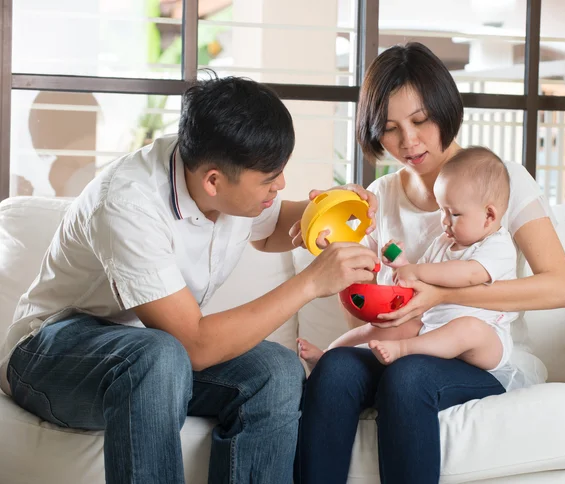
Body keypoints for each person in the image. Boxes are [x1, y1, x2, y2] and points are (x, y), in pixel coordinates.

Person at [0, 75, 381, 484]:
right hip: (52, 354)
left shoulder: (219, 167)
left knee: (278, 369)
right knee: (159, 355)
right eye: (269, 179)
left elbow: (270, 231)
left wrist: (335, 208)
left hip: (156, 358)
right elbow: (193, 345)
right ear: (213, 181)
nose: (281, 185)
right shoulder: (129, 203)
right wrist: (309, 283)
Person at [294, 42, 565, 484]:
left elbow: (563, 288)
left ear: (445, 109)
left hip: (474, 354)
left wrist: (443, 294)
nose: (409, 141)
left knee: (407, 378)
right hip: (401, 342)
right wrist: (340, 236)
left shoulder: (501, 178)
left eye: (421, 120)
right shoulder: (381, 195)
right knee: (334, 370)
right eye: (390, 129)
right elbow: (362, 302)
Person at [298, 146, 520, 389]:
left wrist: (416, 272)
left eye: (454, 214)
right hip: (432, 326)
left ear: (489, 215)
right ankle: (329, 355)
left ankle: (403, 349)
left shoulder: (498, 245)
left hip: (485, 343)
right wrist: (401, 263)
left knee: (469, 328)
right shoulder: (443, 242)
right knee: (387, 325)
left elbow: (468, 274)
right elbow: (417, 278)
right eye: (442, 211)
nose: (444, 221)